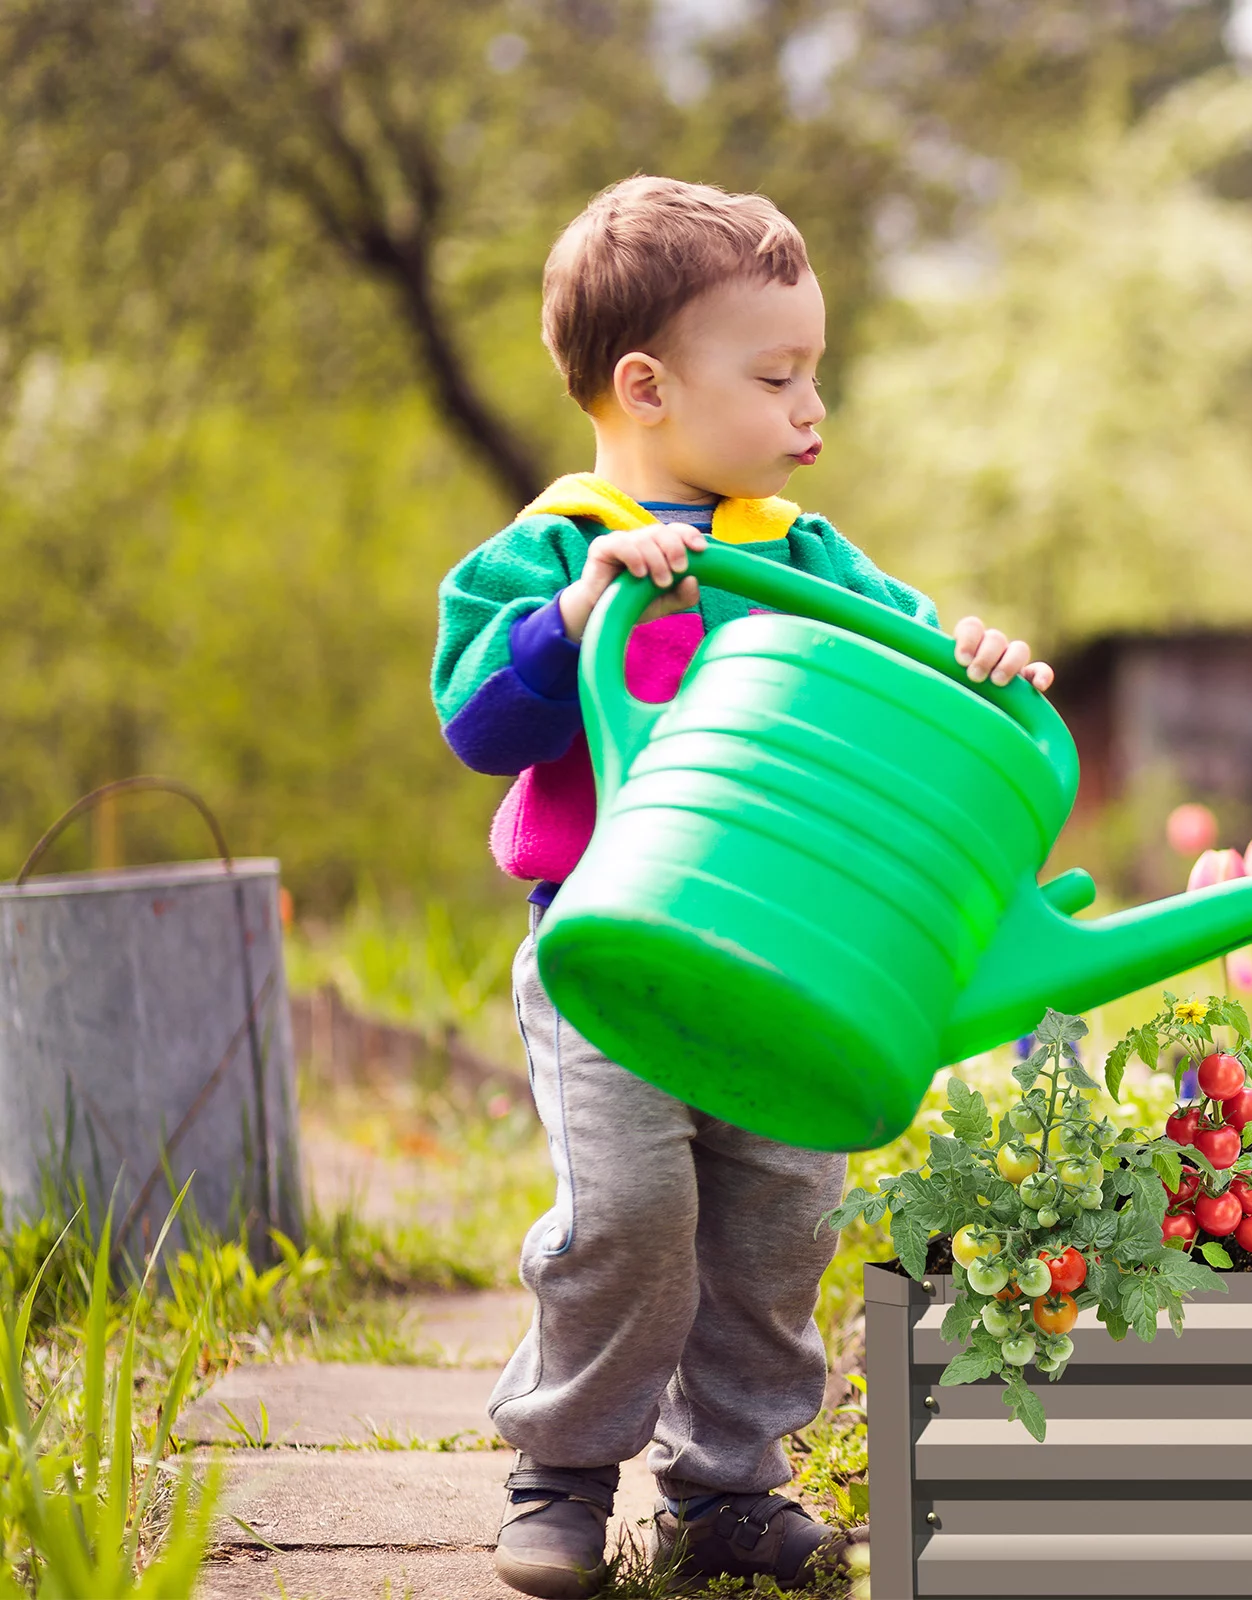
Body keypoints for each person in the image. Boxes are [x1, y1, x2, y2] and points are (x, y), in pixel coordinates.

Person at [431, 175, 1051, 1598]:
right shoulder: (545, 553)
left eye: (812, 374)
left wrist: (975, 659)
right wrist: (585, 606)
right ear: (644, 386)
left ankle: (730, 1492)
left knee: (780, 1220)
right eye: (776, 377)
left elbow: (915, 674)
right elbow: (480, 724)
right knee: (630, 1215)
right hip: (614, 959)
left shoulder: (810, 559)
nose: (810, 411)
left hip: (790, 960)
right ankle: (566, 1473)